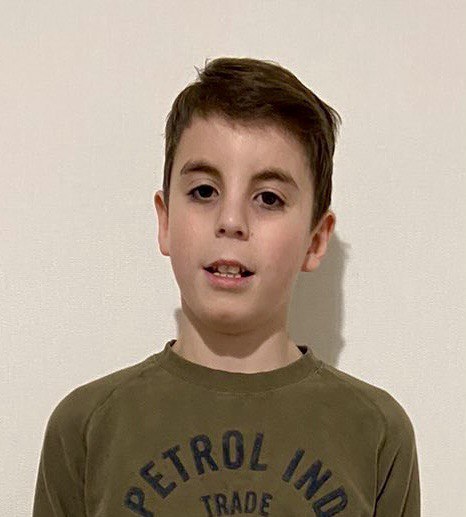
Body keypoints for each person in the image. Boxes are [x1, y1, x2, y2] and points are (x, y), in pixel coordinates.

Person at [32, 57, 420, 516]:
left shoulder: (376, 433)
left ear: (315, 240)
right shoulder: (87, 427)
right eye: (204, 191)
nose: (231, 221)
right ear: (165, 221)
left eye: (268, 198)